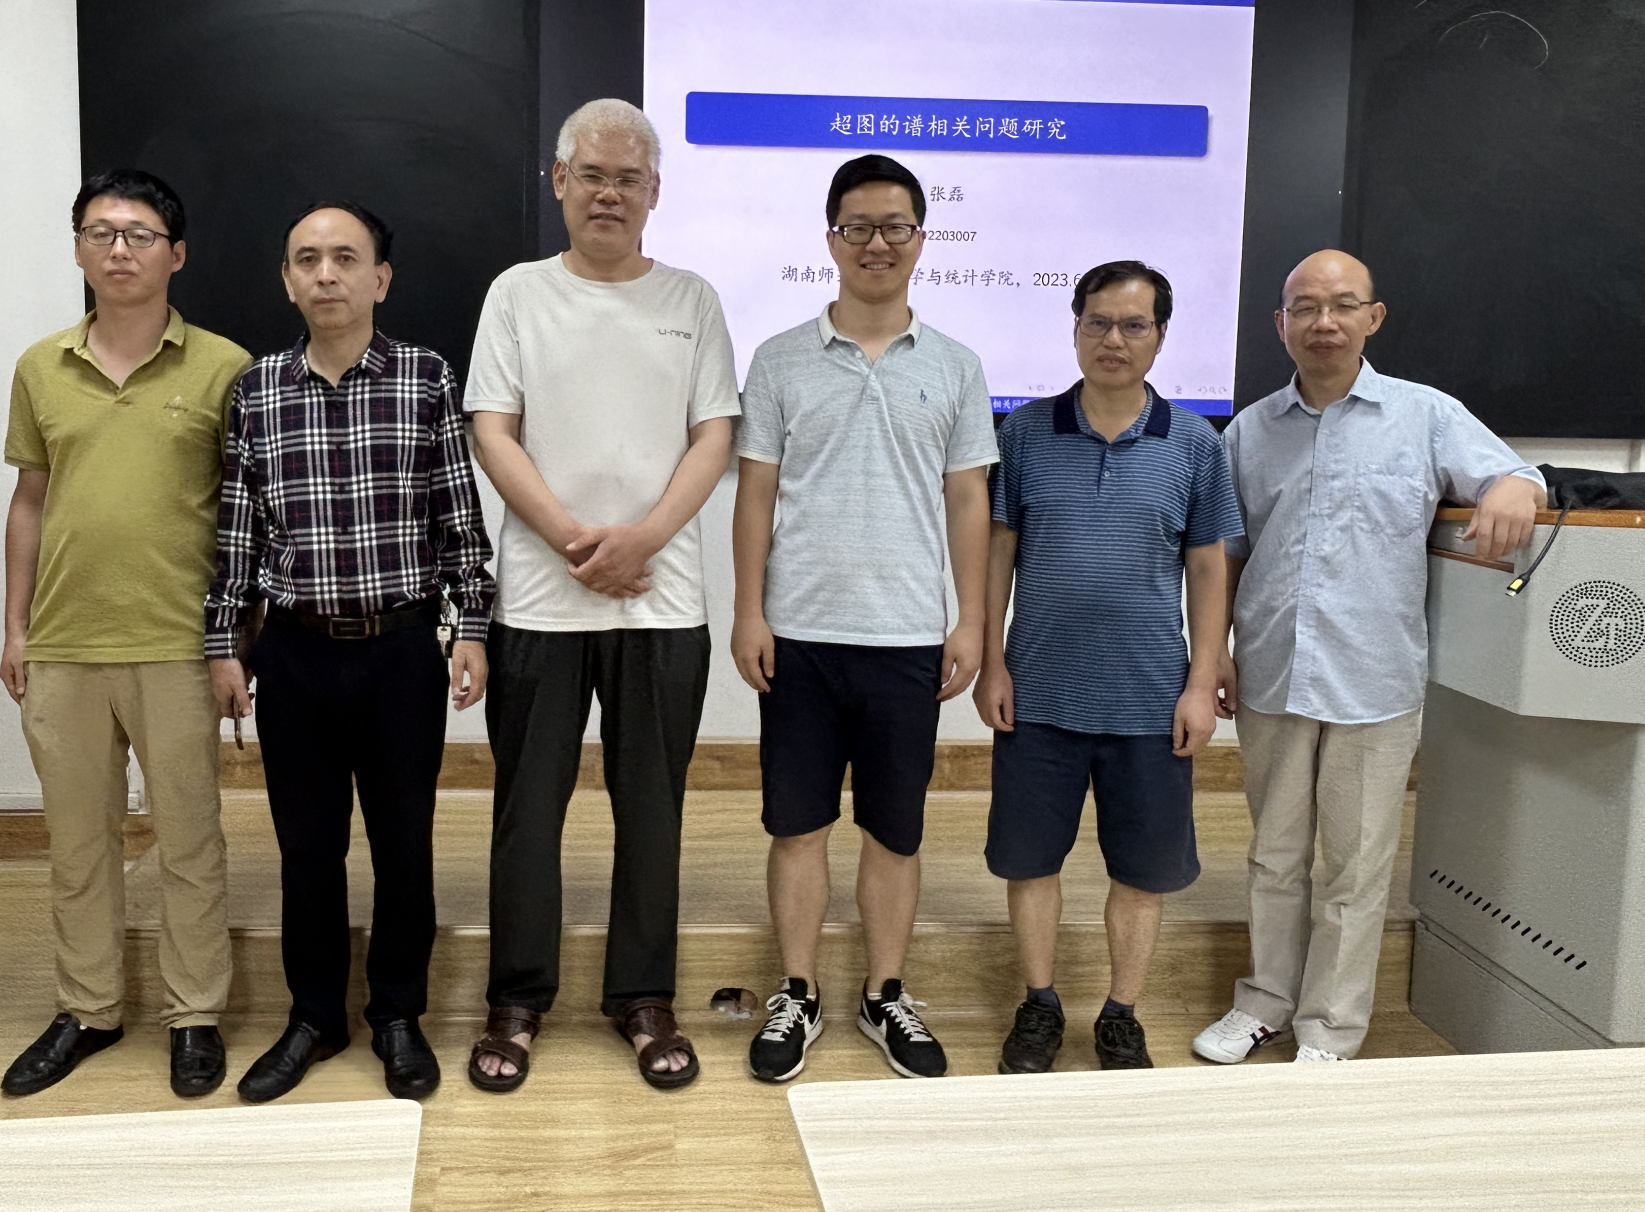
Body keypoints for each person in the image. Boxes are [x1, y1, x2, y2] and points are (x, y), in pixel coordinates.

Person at [1193, 249, 1545, 1067]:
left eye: (1343, 304)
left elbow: (1517, 475)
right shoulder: (1248, 431)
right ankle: (1265, 1002)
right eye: (1305, 307)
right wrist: (1214, 654)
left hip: (1375, 678)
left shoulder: (1426, 415)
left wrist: (1512, 485)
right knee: (1274, 854)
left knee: (1355, 866)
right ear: (1280, 322)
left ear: (1372, 317)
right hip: (1274, 670)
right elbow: (1226, 555)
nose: (1324, 321)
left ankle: (1330, 1028)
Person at [463, 98, 739, 1092]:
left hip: (661, 603)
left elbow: (714, 434)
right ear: (559, 182)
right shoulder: (517, 294)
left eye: (628, 178)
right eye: (592, 175)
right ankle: (516, 999)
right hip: (541, 602)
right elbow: (491, 429)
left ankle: (643, 996)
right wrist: (575, 539)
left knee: (652, 810)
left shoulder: (692, 299)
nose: (609, 193)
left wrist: (643, 539)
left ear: (654, 190)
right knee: (525, 813)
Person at [206, 202, 494, 1104]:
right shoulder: (257, 391)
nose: (325, 273)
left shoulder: (425, 378)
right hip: (294, 655)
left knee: (405, 845)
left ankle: (399, 1013)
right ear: (287, 280)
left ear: (381, 278)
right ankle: (315, 1016)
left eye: (344, 257)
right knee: (307, 849)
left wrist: (473, 627)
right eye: (307, 259)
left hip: (401, 650)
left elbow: (458, 520)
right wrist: (223, 644)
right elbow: (237, 534)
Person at [732, 154, 995, 1083]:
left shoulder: (957, 365)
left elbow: (968, 500)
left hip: (907, 637)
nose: (876, 243)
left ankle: (886, 992)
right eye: (858, 226)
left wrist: (970, 621)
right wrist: (748, 609)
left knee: (895, 830)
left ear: (921, 238)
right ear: (831, 238)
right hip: (799, 636)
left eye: (895, 227)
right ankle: (797, 991)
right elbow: (755, 494)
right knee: (797, 826)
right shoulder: (779, 358)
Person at [0, 169, 250, 1100]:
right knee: (78, 843)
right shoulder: (40, 366)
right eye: (100, 231)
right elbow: (29, 502)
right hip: (63, 644)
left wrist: (235, 640)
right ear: (77, 248)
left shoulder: (224, 366)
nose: (118, 249)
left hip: (177, 641)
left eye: (140, 234)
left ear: (175, 254)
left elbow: (245, 518)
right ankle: (89, 1007)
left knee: (189, 839)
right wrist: (15, 626)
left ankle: (194, 1012)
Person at [975, 260, 1243, 1073]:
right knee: (1030, 861)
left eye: (1133, 325)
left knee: (1143, 871)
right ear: (1075, 327)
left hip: (1150, 700)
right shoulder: (1024, 433)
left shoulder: (1194, 443)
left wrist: (1201, 681)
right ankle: (1039, 1002)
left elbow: (1208, 567)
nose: (1113, 339)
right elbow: (997, 555)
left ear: (1160, 335)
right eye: (1097, 321)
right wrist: (991, 662)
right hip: (1039, 693)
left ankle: (1121, 1013)